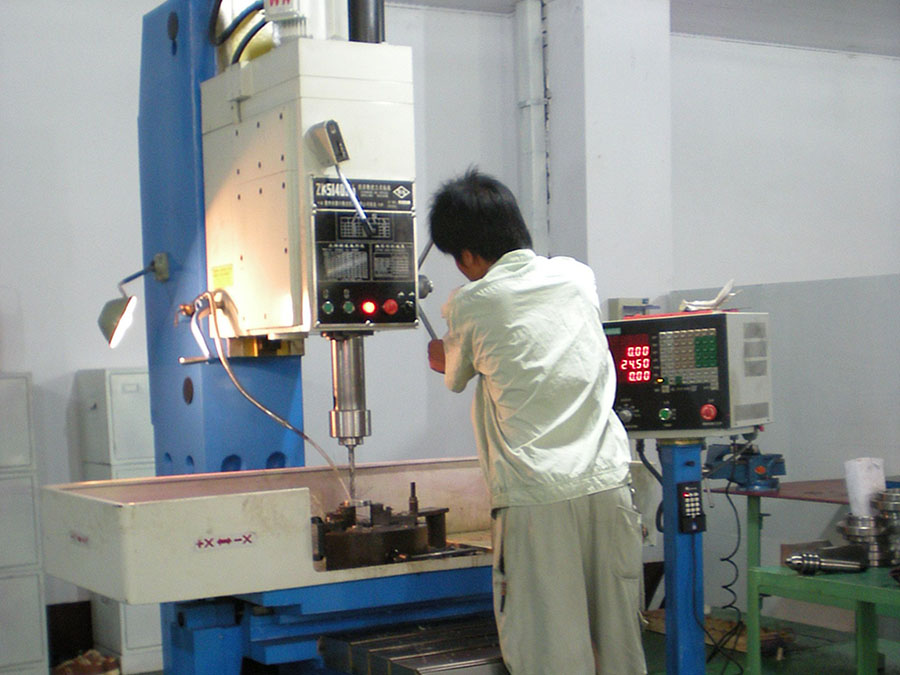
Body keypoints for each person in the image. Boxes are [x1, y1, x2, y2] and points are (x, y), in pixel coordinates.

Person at [426, 169, 647, 675]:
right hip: (608, 488)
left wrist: (441, 353)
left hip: (536, 502)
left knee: (551, 656)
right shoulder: (576, 276)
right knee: (619, 650)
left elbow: (452, 369)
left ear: (468, 256)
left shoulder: (472, 302)